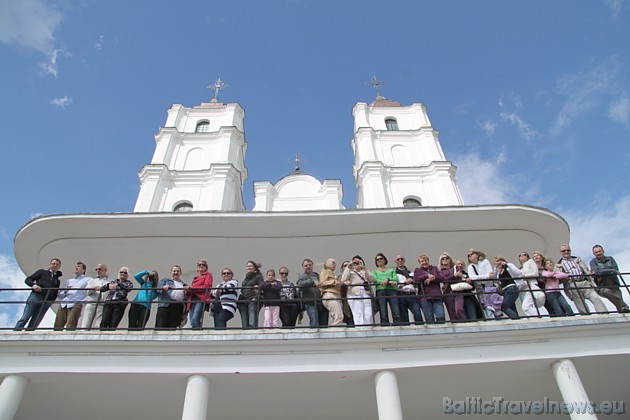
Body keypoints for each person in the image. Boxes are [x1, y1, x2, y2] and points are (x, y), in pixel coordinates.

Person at [557, 243, 607, 314]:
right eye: (564, 251)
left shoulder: (577, 259)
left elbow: (585, 269)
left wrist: (590, 274)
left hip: (584, 282)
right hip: (572, 284)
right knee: (580, 304)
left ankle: (604, 314)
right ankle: (587, 317)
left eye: (568, 250)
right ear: (560, 252)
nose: (566, 252)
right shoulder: (559, 264)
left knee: (595, 297)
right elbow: (559, 279)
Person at [14, 258, 62, 331]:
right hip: (36, 296)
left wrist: (51, 302)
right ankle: (16, 332)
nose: (55, 266)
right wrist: (34, 285)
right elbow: (28, 279)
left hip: (46, 301)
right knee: (25, 317)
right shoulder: (42, 272)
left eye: (57, 264)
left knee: (35, 321)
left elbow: (55, 292)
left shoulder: (57, 280)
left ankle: (28, 336)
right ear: (50, 265)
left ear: (59, 267)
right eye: (53, 264)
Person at [590, 244, 629, 313]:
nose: (598, 253)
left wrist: (603, 272)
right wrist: (611, 271)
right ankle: (625, 306)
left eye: (600, 251)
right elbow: (597, 272)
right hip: (602, 286)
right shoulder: (593, 262)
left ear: (603, 251)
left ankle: (625, 311)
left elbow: (615, 269)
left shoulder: (610, 259)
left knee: (620, 305)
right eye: (596, 252)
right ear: (594, 254)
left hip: (614, 284)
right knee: (607, 292)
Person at [467, 249, 503, 319]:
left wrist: (479, 278)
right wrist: (486, 276)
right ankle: (491, 321)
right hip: (481, 289)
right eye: (468, 255)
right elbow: (472, 277)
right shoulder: (470, 267)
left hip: (490, 287)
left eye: (471, 254)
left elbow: (491, 274)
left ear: (477, 255)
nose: (470, 256)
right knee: (486, 307)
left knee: (495, 305)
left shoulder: (485, 262)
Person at [54, 261, 89, 331]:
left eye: (79, 266)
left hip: (76, 303)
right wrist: (65, 291)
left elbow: (91, 291)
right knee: (58, 324)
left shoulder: (88, 280)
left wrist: (82, 301)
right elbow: (60, 296)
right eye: (76, 266)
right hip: (64, 303)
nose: (76, 267)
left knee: (70, 324)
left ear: (84, 270)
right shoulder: (68, 281)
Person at [341, 255, 374, 326]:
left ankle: (368, 327)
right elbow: (343, 279)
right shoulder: (350, 271)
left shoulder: (364, 271)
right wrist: (348, 266)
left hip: (365, 292)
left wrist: (364, 267)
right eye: (355, 262)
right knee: (358, 312)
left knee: (368, 313)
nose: (357, 264)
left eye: (358, 262)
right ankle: (360, 328)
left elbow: (372, 279)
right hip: (354, 292)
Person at [297, 258, 328, 327]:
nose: (308, 266)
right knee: (314, 318)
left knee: (324, 323)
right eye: (306, 265)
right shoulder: (302, 276)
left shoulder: (317, 275)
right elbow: (300, 285)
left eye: (310, 265)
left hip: (320, 301)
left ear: (312, 265)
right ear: (303, 267)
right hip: (310, 302)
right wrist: (311, 281)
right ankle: (314, 335)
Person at [414, 254, 445, 323]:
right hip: (425, 298)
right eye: (422, 261)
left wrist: (433, 278)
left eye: (425, 260)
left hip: (437, 296)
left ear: (428, 261)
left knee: (441, 316)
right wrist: (426, 275)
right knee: (429, 318)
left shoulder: (434, 268)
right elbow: (416, 279)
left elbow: (442, 278)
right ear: (419, 263)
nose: (424, 262)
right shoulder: (418, 270)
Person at [373, 253, 402, 326]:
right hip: (381, 291)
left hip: (392, 290)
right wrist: (386, 281)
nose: (379, 260)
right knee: (383, 311)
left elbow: (395, 279)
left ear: (385, 260)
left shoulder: (391, 270)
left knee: (395, 309)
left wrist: (387, 279)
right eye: (377, 260)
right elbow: (375, 280)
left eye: (381, 259)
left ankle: (397, 324)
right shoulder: (375, 271)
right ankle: (385, 325)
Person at [155, 265, 187, 329]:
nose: (176, 272)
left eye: (178, 271)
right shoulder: (165, 280)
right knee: (160, 325)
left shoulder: (184, 285)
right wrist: (163, 288)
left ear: (180, 273)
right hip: (165, 304)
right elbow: (158, 289)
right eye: (174, 271)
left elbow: (186, 300)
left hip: (178, 306)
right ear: (171, 272)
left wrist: (185, 314)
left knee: (172, 327)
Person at [80, 263, 111, 330]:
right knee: (86, 320)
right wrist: (94, 288)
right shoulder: (92, 281)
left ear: (105, 270)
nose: (98, 271)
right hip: (91, 302)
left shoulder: (109, 282)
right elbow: (87, 292)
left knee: (98, 322)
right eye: (96, 269)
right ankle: (83, 333)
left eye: (100, 269)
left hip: (102, 303)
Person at [439, 252, 467, 322]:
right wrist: (454, 275)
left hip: (457, 291)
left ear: (450, 259)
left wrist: (450, 278)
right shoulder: (439, 271)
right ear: (441, 261)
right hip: (447, 293)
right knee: (452, 313)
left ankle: (464, 323)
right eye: (443, 258)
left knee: (459, 309)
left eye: (447, 258)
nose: (445, 259)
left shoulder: (456, 267)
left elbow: (459, 277)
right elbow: (443, 279)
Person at [395, 254, 423, 325]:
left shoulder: (411, 273)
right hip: (401, 295)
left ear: (404, 261)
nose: (400, 260)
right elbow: (395, 286)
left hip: (412, 294)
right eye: (398, 259)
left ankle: (420, 329)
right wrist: (404, 283)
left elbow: (416, 285)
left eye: (401, 259)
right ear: (395, 261)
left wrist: (413, 281)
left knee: (417, 313)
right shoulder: (394, 273)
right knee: (404, 316)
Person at [186, 259, 214, 329]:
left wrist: (192, 288)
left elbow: (207, 286)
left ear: (206, 267)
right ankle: (195, 333)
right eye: (199, 265)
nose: (201, 266)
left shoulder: (208, 275)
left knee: (195, 318)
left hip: (200, 299)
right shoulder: (195, 278)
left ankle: (197, 333)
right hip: (192, 300)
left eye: (203, 265)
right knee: (192, 320)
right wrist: (187, 289)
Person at [518, 252, 546, 317]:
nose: (522, 256)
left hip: (531, 285)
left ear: (527, 257)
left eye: (524, 255)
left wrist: (525, 276)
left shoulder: (530, 261)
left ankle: (536, 317)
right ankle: (531, 317)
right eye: (520, 255)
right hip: (523, 289)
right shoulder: (520, 269)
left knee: (525, 306)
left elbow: (536, 273)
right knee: (526, 306)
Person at [238, 260, 264, 329]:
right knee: (245, 323)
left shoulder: (258, 276)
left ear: (255, 267)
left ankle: (252, 327)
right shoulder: (246, 277)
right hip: (243, 300)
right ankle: (245, 328)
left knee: (252, 315)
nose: (249, 267)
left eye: (250, 266)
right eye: (247, 266)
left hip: (252, 298)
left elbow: (261, 287)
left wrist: (256, 297)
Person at [319, 259, 344, 326]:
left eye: (335, 263)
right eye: (333, 262)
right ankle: (336, 331)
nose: (335, 264)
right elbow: (322, 283)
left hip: (336, 295)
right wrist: (333, 282)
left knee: (336, 317)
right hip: (330, 294)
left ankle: (335, 329)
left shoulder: (332, 274)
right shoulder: (324, 271)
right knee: (338, 316)